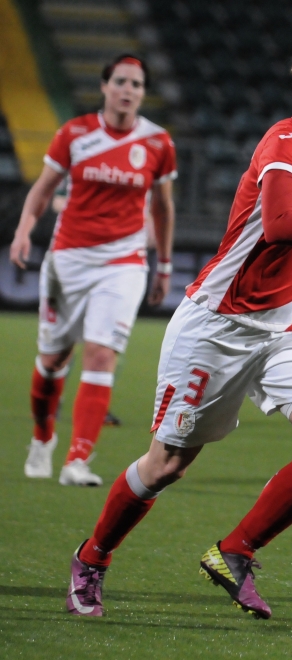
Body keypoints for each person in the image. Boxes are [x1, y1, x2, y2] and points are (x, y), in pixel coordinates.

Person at [65, 36, 292, 619]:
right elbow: (282, 224)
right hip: (219, 327)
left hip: (285, 329)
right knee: (167, 465)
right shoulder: (286, 141)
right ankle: (92, 558)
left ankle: (234, 552)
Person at [11, 54, 176, 486]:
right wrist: (24, 231)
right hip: (68, 260)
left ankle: (77, 460)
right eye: (120, 81)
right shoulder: (76, 133)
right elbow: (43, 189)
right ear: (105, 87)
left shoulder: (158, 142)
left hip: (123, 262)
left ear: (142, 93)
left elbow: (163, 207)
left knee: (102, 352)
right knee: (53, 360)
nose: (128, 90)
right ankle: (42, 438)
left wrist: (164, 265)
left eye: (137, 84)